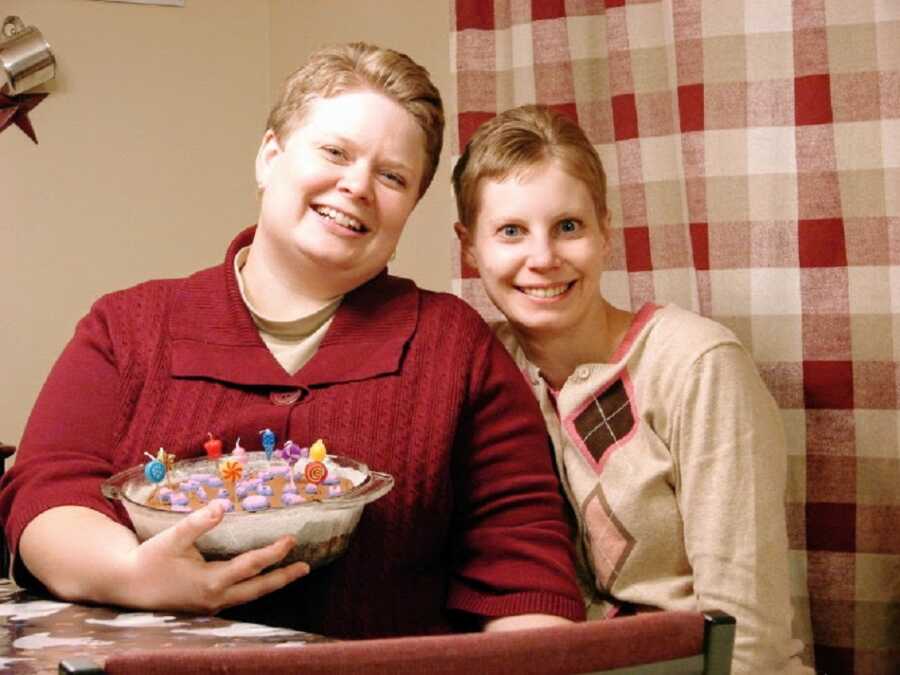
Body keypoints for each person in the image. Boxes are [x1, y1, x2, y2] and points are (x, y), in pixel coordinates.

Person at [0, 45, 586, 638]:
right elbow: (47, 493)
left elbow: (525, 577)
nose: (357, 185)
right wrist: (130, 573)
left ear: (411, 206)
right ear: (270, 155)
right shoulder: (127, 326)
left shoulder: (455, 348)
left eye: (392, 177)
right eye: (335, 152)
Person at [451, 104, 813, 674]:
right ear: (470, 248)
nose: (543, 259)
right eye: (511, 232)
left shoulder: (696, 364)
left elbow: (748, 634)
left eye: (568, 227)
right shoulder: (480, 366)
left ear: (604, 233)